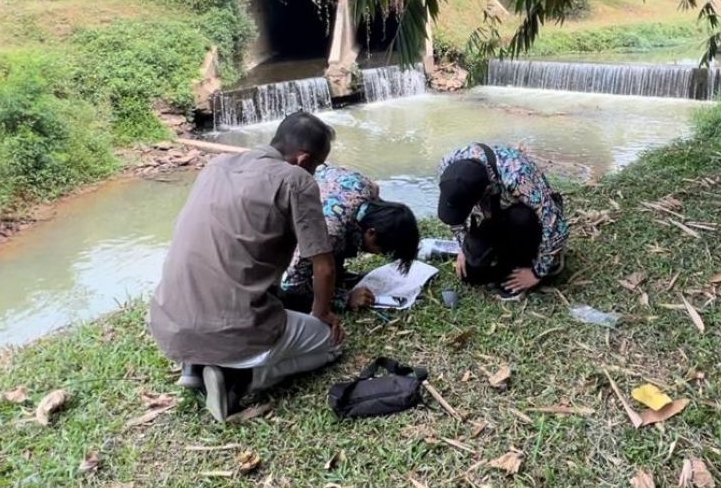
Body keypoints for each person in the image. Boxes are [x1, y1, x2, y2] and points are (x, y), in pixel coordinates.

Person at [149, 112, 344, 422]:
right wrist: (321, 314)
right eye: (318, 166)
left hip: (169, 322)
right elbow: (324, 268)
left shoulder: (215, 167)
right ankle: (240, 379)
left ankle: (195, 366)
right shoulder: (296, 180)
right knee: (330, 345)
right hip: (236, 329)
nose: (316, 173)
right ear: (303, 159)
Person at [281, 164, 420, 313]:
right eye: (381, 250)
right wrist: (345, 299)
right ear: (371, 233)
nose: (378, 254)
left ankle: (338, 276)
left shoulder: (369, 188)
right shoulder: (329, 232)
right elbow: (291, 285)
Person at [437, 143, 568, 298]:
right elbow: (456, 215)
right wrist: (463, 247)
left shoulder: (516, 174)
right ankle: (505, 264)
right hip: (490, 216)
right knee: (470, 274)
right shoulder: (447, 166)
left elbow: (555, 224)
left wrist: (537, 273)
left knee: (521, 218)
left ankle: (532, 263)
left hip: (525, 220)